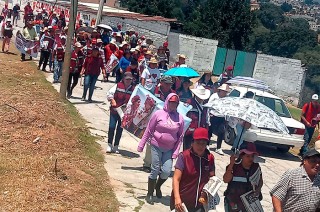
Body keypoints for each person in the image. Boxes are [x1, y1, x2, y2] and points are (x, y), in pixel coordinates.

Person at [137, 93, 185, 205]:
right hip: (156, 145)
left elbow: (180, 137)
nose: (173, 105)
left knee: (166, 171)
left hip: (169, 149)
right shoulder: (158, 114)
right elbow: (149, 129)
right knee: (154, 169)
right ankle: (149, 194)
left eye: (176, 103)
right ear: (167, 102)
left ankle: (157, 187)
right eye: (171, 102)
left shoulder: (180, 118)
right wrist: (141, 144)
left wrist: (176, 151)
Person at [171, 127, 215, 212]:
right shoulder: (184, 157)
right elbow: (176, 179)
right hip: (181, 203)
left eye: (204, 143)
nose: (201, 146)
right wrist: (177, 198)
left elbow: (212, 179)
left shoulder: (210, 158)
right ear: (192, 143)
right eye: (198, 143)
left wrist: (206, 194)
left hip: (200, 204)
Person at [223, 142, 263, 212]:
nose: (250, 159)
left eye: (252, 156)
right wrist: (231, 164)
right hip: (234, 202)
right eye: (247, 156)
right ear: (241, 156)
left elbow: (260, 181)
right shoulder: (234, 167)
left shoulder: (256, 168)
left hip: (250, 204)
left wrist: (258, 189)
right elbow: (226, 180)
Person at [107, 72, 135, 153]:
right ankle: (109, 144)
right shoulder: (118, 85)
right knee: (111, 127)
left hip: (124, 113)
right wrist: (112, 100)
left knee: (120, 129)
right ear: (123, 79)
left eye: (130, 79)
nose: (128, 81)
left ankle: (116, 146)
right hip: (114, 111)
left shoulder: (133, 89)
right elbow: (109, 94)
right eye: (127, 79)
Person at [183, 86, 211, 150]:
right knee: (187, 151)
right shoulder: (189, 103)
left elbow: (207, 119)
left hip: (200, 133)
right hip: (190, 133)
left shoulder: (205, 105)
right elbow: (184, 116)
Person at [208, 84, 230, 155]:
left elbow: (228, 109)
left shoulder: (227, 98)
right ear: (220, 90)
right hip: (213, 115)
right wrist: (209, 113)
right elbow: (209, 104)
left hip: (222, 116)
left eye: (226, 92)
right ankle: (207, 145)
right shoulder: (214, 96)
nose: (224, 93)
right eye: (224, 91)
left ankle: (218, 147)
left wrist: (227, 118)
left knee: (221, 132)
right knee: (210, 131)